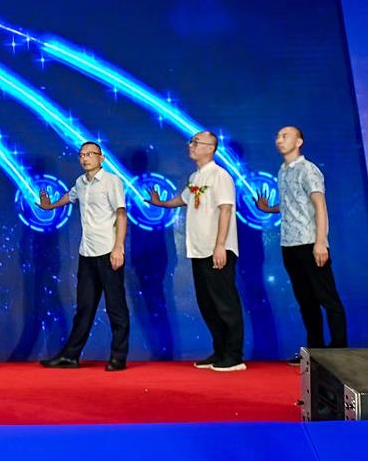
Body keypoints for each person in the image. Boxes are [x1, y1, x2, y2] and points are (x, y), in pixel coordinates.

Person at [149, 130, 245, 371]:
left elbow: (225, 210)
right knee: (207, 303)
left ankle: (234, 356)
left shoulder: (220, 175)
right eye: (191, 142)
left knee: (225, 303)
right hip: (199, 250)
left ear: (211, 148)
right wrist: (160, 203)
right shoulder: (195, 177)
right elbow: (183, 199)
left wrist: (220, 245)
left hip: (217, 249)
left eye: (196, 142)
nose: (190, 145)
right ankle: (219, 351)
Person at [256, 126, 348, 363]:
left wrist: (321, 241)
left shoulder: (308, 169)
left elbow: (319, 205)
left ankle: (340, 350)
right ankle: (314, 351)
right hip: (289, 244)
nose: (279, 140)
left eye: (285, 136)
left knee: (327, 297)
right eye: (277, 136)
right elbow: (292, 204)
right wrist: (269, 209)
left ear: (299, 142)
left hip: (310, 243)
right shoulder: (282, 170)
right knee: (305, 300)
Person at [37, 141, 129, 371]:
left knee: (115, 306)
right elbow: (70, 196)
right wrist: (50, 206)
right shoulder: (81, 182)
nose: (85, 158)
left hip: (108, 251)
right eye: (82, 155)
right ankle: (71, 356)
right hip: (87, 252)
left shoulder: (112, 181)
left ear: (101, 158)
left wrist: (118, 248)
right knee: (84, 307)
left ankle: (118, 357)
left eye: (90, 154)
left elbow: (121, 214)